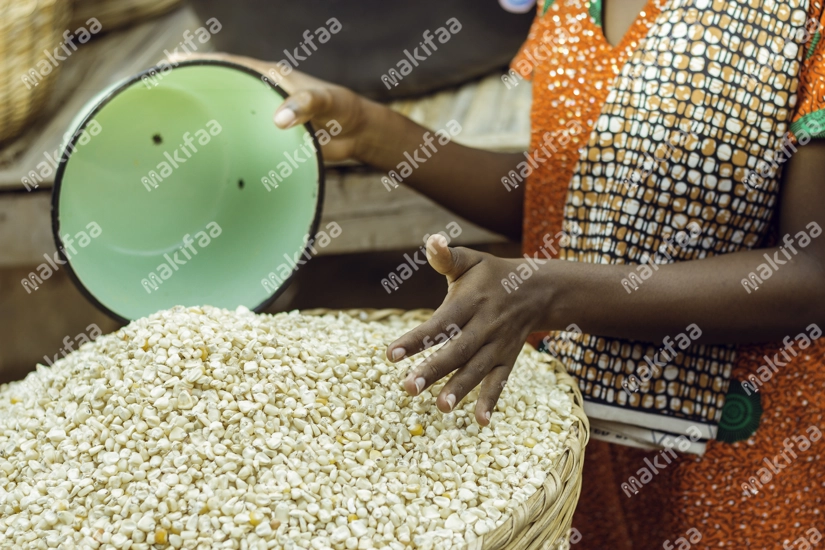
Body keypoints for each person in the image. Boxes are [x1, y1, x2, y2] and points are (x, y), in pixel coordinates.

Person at [174, 0, 825, 545]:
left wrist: (549, 289)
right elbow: (564, 192)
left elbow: (810, 273)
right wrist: (371, 131)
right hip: (582, 435)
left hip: (737, 460)